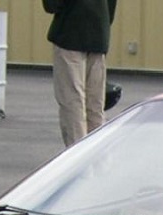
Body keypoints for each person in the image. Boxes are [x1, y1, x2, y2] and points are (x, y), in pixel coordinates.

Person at [43, 0, 118, 146]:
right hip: (99, 34)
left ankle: (76, 153)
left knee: (72, 101)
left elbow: (52, 5)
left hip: (70, 34)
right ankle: (96, 156)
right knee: (95, 104)